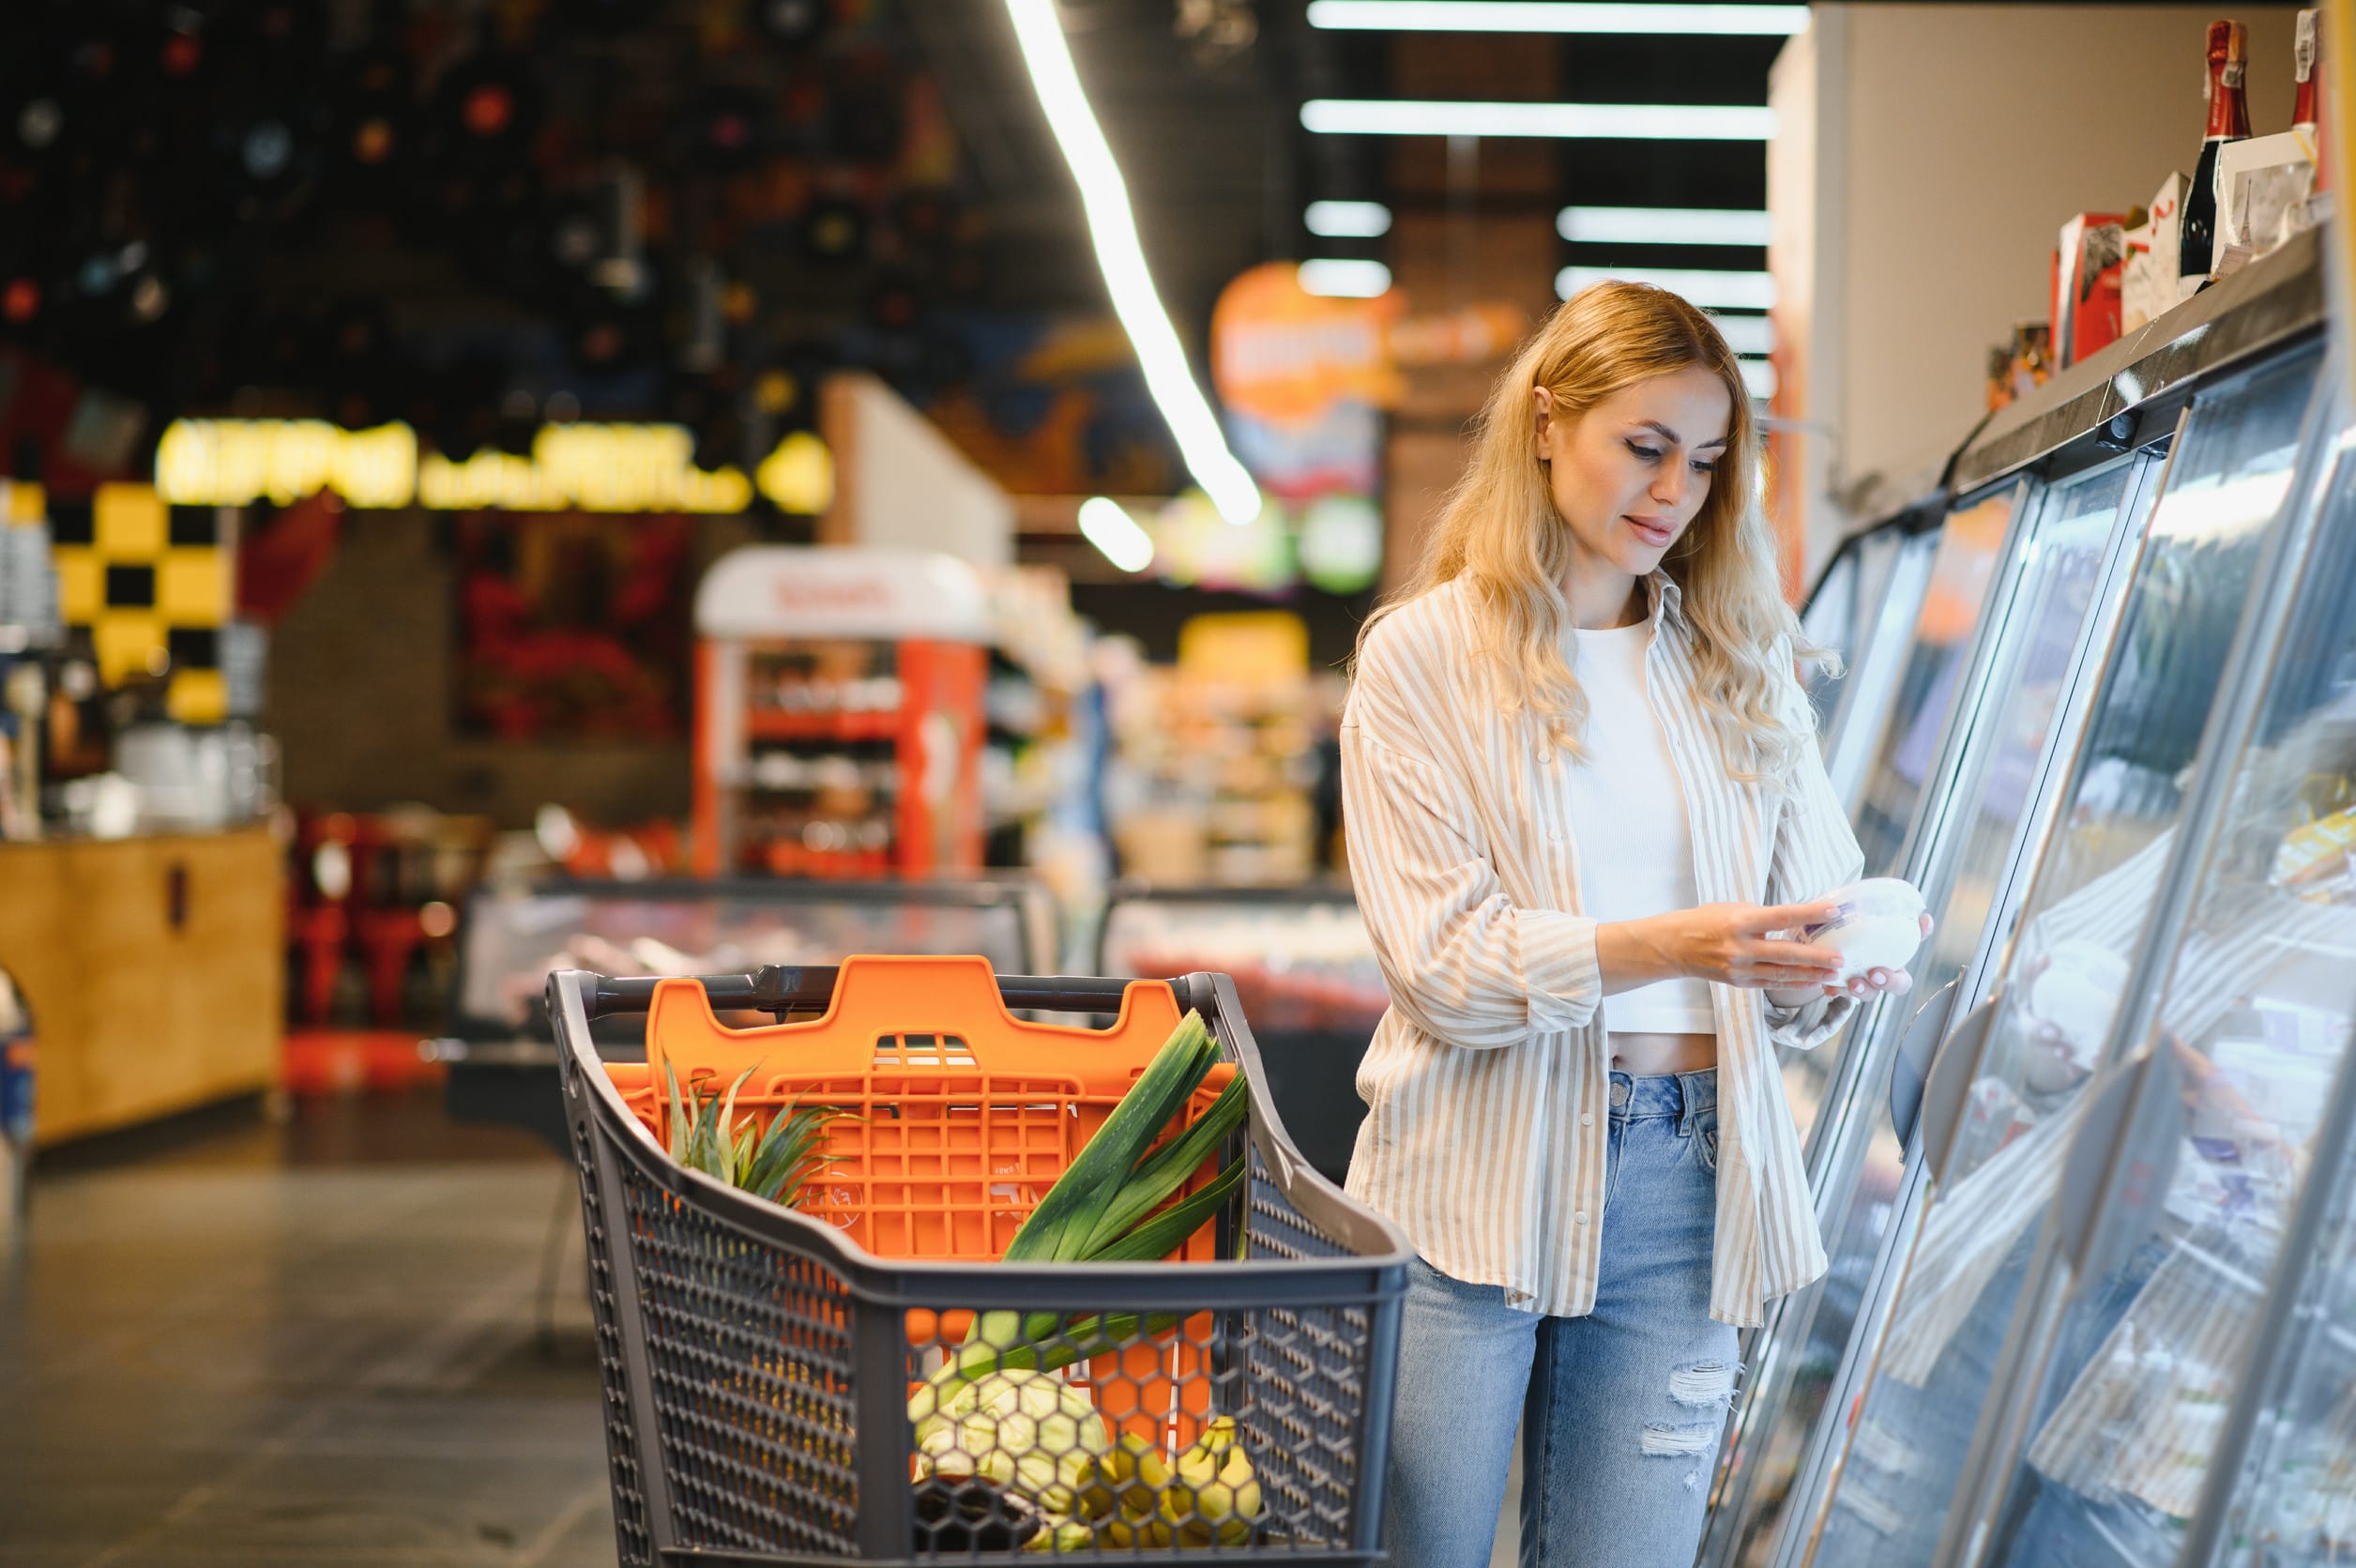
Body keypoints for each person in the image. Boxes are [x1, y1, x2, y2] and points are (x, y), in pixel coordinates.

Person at [1340, 282, 1929, 1568]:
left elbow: (1796, 947)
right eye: (1646, 448)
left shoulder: (1737, 659)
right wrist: (1668, 945)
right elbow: (1442, 967)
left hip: (1685, 1181)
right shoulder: (1422, 660)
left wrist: (1832, 959)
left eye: (1708, 463)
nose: (1675, 492)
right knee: (1419, 1550)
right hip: (1469, 1170)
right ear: (1548, 424)